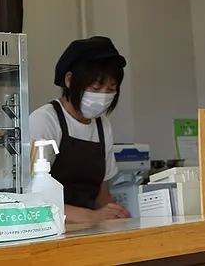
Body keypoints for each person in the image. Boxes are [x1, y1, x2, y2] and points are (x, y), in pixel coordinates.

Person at [28, 37, 132, 224]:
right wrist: (93, 216)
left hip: (89, 231)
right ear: (69, 80)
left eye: (111, 89)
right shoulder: (45, 119)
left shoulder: (103, 126)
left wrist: (118, 216)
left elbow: (102, 196)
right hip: (50, 229)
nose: (103, 97)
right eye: (96, 87)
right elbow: (34, 199)